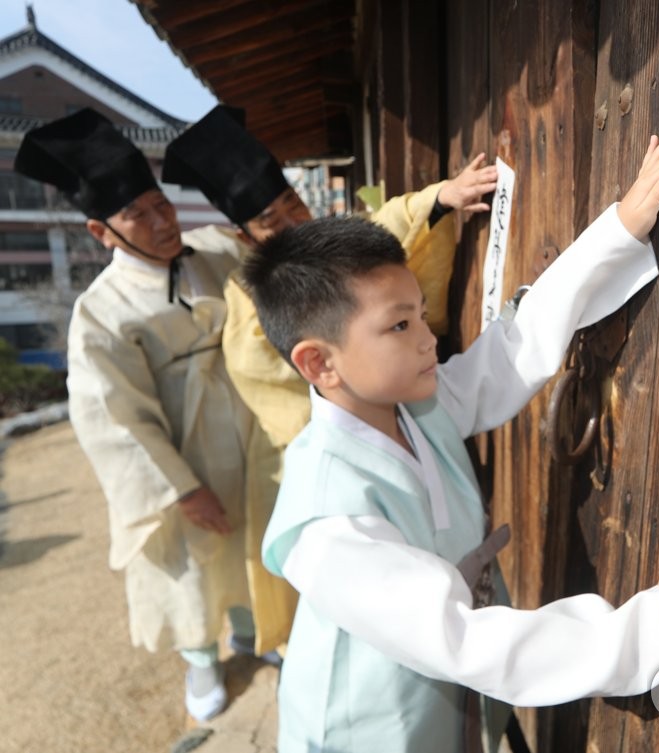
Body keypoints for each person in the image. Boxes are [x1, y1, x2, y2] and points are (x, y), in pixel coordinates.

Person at [244, 119, 659, 753]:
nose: (426, 338)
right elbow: (459, 639)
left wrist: (621, 229)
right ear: (319, 363)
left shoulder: (410, 403)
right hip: (364, 725)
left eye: (420, 314)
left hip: (439, 698)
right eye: (398, 326)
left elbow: (509, 352)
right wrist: (640, 638)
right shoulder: (326, 521)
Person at [161, 105, 499, 655]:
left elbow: (376, 235)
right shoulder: (250, 311)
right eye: (270, 219)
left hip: (389, 429)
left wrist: (436, 199)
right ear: (246, 237)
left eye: (292, 203)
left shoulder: (328, 252)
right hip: (319, 452)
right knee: (367, 605)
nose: (291, 222)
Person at [14, 107, 263, 723]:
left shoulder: (210, 252)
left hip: (248, 429)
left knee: (255, 539)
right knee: (190, 564)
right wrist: (181, 489)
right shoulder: (99, 313)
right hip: (183, 451)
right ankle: (201, 656)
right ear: (103, 233)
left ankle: (258, 632)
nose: (160, 222)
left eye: (163, 205)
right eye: (139, 215)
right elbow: (114, 420)